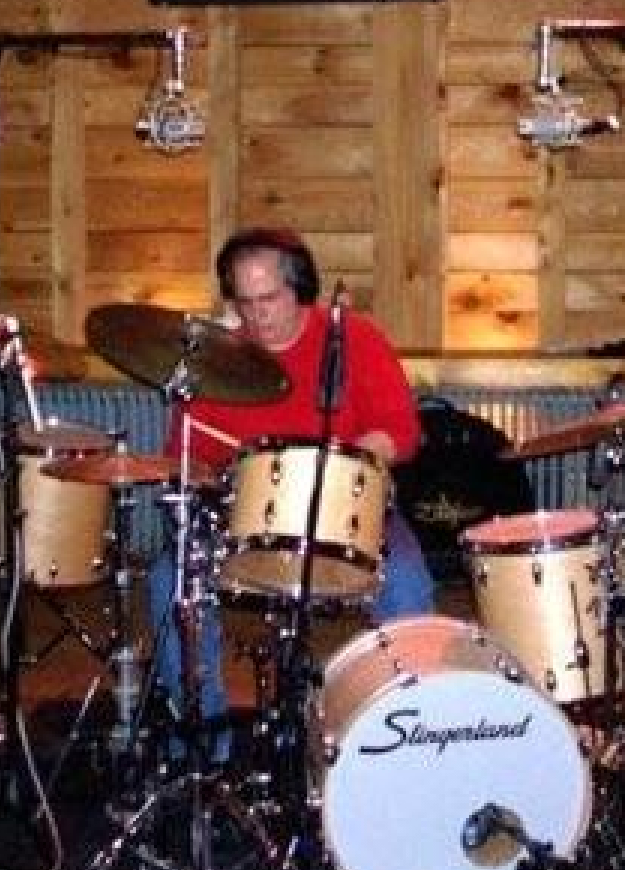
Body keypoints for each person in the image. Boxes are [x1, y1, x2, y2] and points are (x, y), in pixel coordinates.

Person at [146, 226, 435, 753]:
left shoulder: (354, 338)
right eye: (244, 302)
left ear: (300, 288)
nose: (257, 315)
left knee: (408, 585)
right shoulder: (215, 358)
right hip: (247, 520)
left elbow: (402, 431)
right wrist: (211, 478)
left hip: (348, 514)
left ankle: (402, 737)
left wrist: (348, 460)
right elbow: (190, 462)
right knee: (171, 580)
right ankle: (203, 746)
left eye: (270, 298)